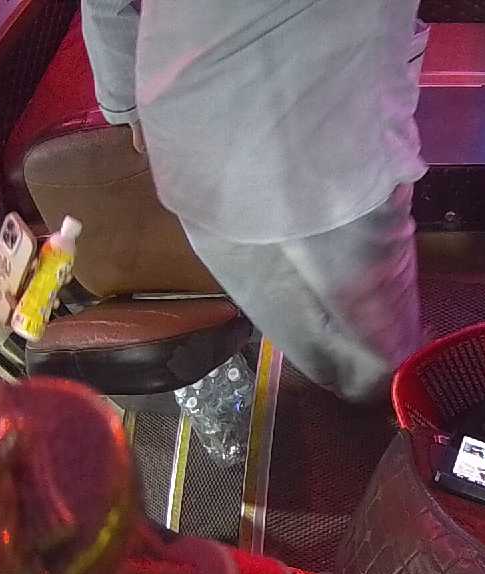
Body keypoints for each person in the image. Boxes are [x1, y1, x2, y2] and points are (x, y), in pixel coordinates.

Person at [81, 0, 427, 403]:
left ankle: (347, 390)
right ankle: (395, 402)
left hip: (194, 132)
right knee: (382, 339)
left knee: (286, 315)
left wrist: (126, 101)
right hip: (336, 131)